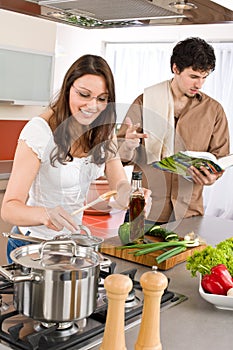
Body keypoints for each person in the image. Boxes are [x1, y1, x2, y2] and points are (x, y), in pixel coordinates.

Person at [1, 54, 151, 262]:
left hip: (72, 245)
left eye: (101, 99)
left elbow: (119, 183)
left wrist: (130, 196)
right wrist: (45, 214)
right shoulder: (40, 131)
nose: (92, 106)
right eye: (84, 94)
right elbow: (9, 208)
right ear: (67, 89)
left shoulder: (102, 131)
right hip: (34, 245)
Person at [117, 37, 230, 225]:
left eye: (204, 77)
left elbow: (221, 158)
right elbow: (119, 157)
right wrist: (127, 145)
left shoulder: (214, 110)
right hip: (146, 209)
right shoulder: (145, 102)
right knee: (131, 255)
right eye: (194, 76)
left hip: (189, 212)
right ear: (175, 69)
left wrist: (212, 177)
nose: (199, 84)